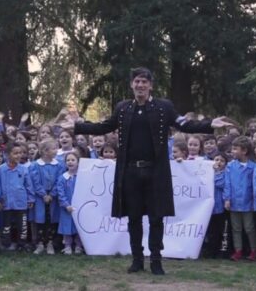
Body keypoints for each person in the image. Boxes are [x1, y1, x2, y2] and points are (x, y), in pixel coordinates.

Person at [63, 67, 232, 275]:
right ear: (131, 85)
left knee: (156, 218)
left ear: (150, 85)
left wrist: (209, 124)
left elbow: (184, 124)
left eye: (144, 82)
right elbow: (103, 127)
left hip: (156, 172)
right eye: (137, 82)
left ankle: (156, 260)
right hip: (130, 172)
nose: (140, 85)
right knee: (133, 218)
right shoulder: (123, 108)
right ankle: (136, 259)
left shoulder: (164, 107)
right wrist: (78, 127)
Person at [223, 136, 256, 262]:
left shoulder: (253, 167)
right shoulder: (230, 166)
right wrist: (227, 198)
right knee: (236, 228)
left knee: (249, 227)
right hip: (234, 202)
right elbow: (227, 183)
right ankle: (238, 250)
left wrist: (254, 200)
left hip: (248, 202)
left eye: (235, 149)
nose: (232, 151)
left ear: (244, 151)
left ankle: (254, 250)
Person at [29, 139, 64, 255]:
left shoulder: (59, 165)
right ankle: (40, 244)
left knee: (52, 220)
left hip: (53, 197)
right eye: (54, 148)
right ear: (45, 151)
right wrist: (43, 194)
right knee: (40, 220)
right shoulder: (35, 165)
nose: (56, 151)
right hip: (40, 197)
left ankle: (50, 243)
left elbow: (59, 180)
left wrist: (52, 194)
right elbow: (35, 181)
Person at [57, 152, 82, 255]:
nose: (70, 162)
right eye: (68, 160)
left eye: (73, 160)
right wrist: (66, 205)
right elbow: (60, 193)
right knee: (67, 227)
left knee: (78, 226)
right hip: (66, 208)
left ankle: (78, 246)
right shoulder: (62, 178)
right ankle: (67, 245)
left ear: (78, 162)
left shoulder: (82, 176)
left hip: (79, 207)